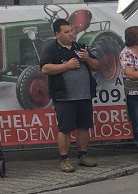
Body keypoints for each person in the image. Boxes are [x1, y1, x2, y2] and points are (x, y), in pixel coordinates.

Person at [40, 18, 101, 172]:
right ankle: (64, 159)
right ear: (57, 34)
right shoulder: (51, 49)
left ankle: (83, 156)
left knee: (84, 127)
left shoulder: (80, 47)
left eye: (72, 31)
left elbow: (97, 66)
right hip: (64, 96)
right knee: (65, 129)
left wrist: (87, 57)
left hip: (84, 95)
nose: (71, 34)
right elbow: (45, 68)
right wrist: (67, 66)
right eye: (66, 32)